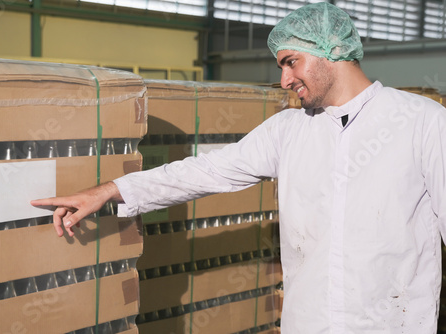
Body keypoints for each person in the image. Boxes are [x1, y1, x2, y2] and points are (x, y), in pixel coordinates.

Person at [31, 2, 446, 333]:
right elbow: (206, 171)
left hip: (394, 323)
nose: (284, 79)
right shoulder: (288, 129)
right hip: (310, 323)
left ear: (330, 51)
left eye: (290, 62)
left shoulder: (422, 122)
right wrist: (108, 191)